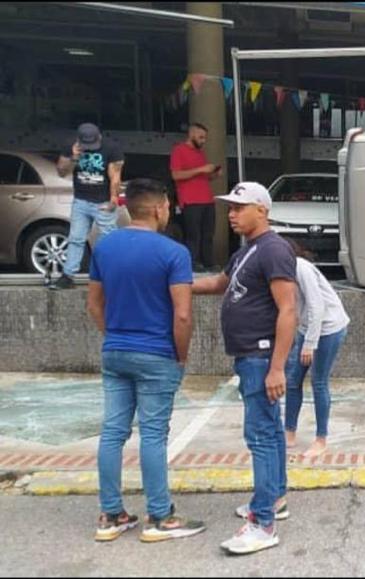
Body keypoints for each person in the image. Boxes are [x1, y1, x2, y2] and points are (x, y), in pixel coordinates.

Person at [85, 178, 205, 543]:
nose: (168, 212)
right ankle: (160, 516)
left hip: (116, 351)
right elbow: (182, 314)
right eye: (167, 206)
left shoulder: (104, 247)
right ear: (157, 208)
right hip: (157, 352)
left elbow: (94, 303)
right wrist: (180, 355)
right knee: (153, 434)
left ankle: (110, 515)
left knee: (113, 432)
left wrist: (114, 336)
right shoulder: (173, 253)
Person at [193, 181, 296, 556]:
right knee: (268, 430)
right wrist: (178, 285)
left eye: (240, 207)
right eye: (230, 208)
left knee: (261, 435)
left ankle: (262, 521)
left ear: (262, 210)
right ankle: (275, 496)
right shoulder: (246, 252)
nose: (232, 214)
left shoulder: (273, 250)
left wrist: (277, 368)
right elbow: (220, 284)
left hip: (261, 355)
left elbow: (288, 310)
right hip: (251, 356)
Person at [283, 239, 351, 460]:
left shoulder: (301, 268)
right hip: (307, 326)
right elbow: (291, 308)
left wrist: (310, 344)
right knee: (293, 379)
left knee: (318, 382)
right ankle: (289, 432)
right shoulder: (281, 270)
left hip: (329, 327)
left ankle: (321, 439)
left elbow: (316, 306)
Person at [53, 122, 124, 290]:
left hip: (103, 200)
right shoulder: (70, 147)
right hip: (81, 200)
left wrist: (114, 198)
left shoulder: (111, 148)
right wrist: (74, 157)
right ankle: (67, 275)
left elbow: (115, 175)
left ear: (99, 137)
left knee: (108, 239)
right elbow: (61, 172)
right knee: (76, 238)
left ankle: (111, 275)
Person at [170, 122, 221, 272]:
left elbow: (202, 177)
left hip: (207, 198)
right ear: (192, 134)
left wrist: (213, 174)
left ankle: (208, 262)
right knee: (194, 234)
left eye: (205, 138)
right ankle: (193, 262)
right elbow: (176, 175)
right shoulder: (179, 150)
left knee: (208, 233)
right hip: (190, 200)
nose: (203, 141)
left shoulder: (200, 153)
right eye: (201, 137)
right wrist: (201, 169)